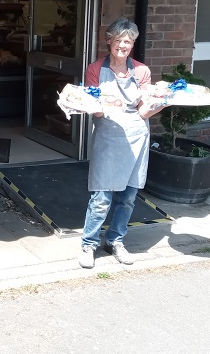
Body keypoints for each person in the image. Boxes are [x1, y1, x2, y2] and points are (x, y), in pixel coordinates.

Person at [78, 18, 164, 269]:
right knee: (102, 196)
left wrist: (163, 101)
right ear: (109, 41)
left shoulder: (142, 71)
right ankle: (88, 243)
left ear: (132, 44)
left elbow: (144, 110)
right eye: (119, 40)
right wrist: (92, 106)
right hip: (108, 133)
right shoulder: (95, 69)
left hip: (137, 134)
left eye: (128, 41)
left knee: (128, 196)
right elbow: (95, 109)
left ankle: (115, 240)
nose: (123, 45)